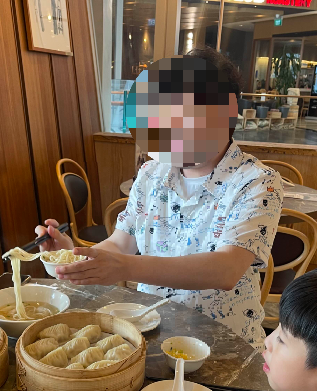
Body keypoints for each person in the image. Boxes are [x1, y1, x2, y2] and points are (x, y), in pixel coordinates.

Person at [35, 47, 283, 351]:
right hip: (152, 334)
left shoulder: (258, 182)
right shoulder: (151, 173)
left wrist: (126, 267)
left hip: (225, 346)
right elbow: (120, 243)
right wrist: (74, 257)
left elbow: (225, 270)